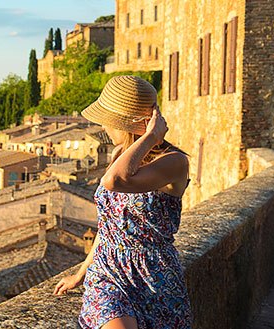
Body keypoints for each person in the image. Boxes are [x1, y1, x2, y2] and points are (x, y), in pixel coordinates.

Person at [52, 75, 193, 329]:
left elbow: (114, 181)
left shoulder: (175, 162)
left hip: (155, 277)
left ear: (131, 124)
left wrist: (150, 138)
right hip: (108, 274)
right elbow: (109, 227)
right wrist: (81, 273)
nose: (105, 128)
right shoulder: (119, 155)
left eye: (109, 121)